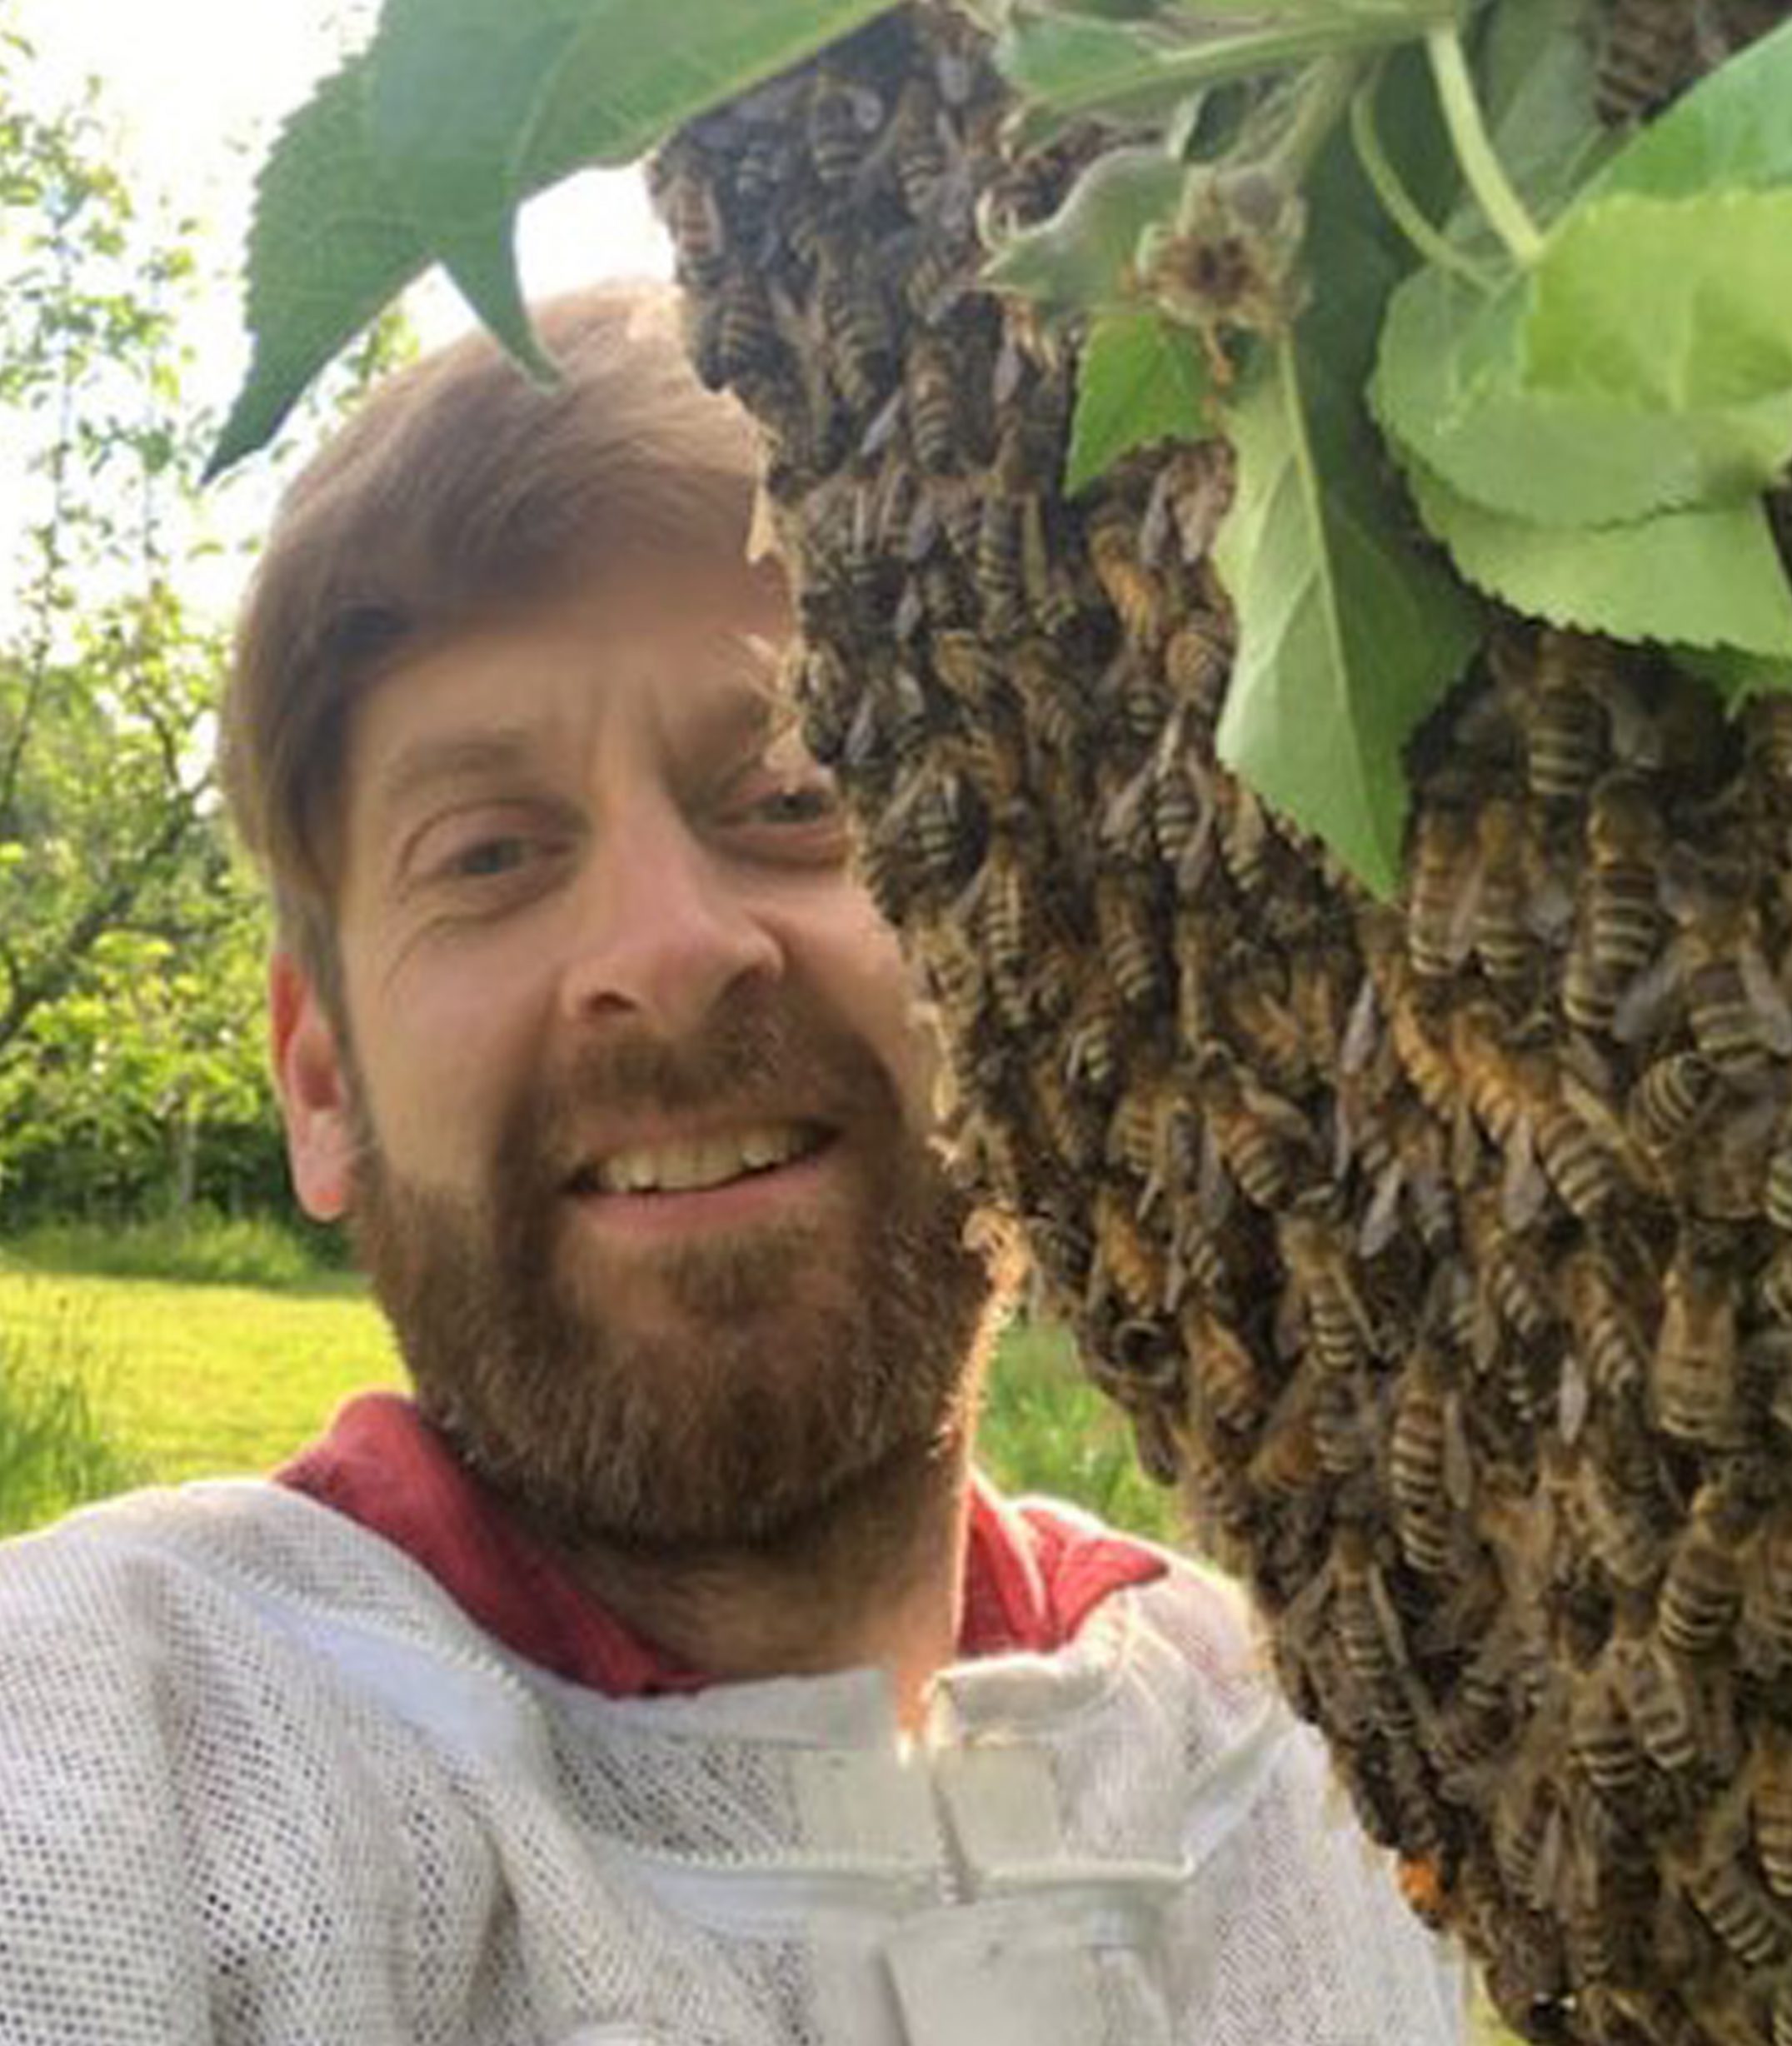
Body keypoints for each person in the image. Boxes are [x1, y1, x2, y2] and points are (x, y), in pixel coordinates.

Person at [0, 282, 1466, 2044]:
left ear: (1029, 943)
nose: (671, 944)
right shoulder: (109, 1761)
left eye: (792, 794)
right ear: (321, 1082)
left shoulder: (1297, 1745)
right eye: (487, 852)